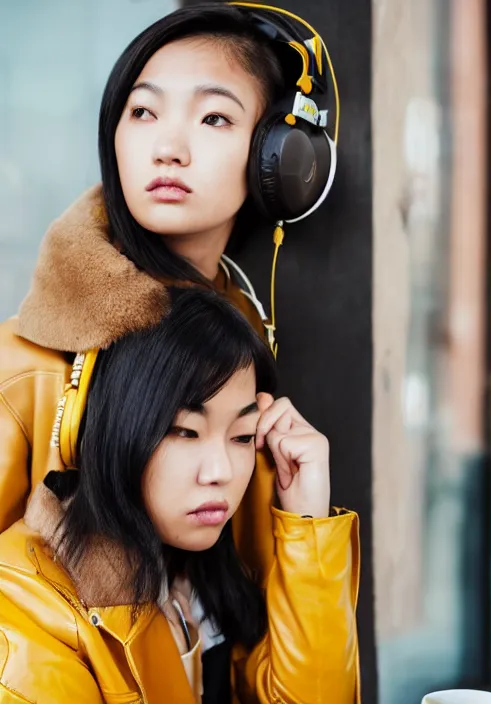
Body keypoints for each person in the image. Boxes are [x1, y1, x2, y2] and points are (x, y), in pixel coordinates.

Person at [0, 3, 358, 698]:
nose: (168, 147)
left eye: (214, 117)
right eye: (142, 113)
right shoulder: (28, 371)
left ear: (276, 159)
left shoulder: (237, 363)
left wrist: (306, 525)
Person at [0, 288, 358, 703]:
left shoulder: (206, 581)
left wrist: (308, 524)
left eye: (243, 437)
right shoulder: (27, 631)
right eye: (186, 432)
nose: (221, 472)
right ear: (114, 429)